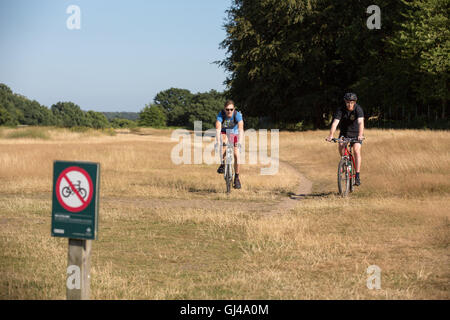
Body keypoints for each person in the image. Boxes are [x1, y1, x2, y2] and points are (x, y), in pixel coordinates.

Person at [326, 93, 364, 186]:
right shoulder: (340, 109)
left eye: (351, 102)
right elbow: (335, 123)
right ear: (345, 102)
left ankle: (357, 176)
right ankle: (344, 161)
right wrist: (331, 135)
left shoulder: (358, 109)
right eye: (347, 102)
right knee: (341, 145)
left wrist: (360, 134)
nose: (349, 104)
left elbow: (360, 123)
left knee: (356, 150)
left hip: (356, 133)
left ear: (355, 102)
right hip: (344, 133)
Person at [215, 100, 244, 189]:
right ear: (224, 109)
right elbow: (218, 129)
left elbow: (240, 129)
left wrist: (240, 142)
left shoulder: (237, 115)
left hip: (234, 133)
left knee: (236, 154)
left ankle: (237, 178)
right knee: (222, 141)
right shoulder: (221, 115)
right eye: (227, 109)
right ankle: (223, 163)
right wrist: (218, 141)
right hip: (224, 131)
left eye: (231, 109)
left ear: (234, 109)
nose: (229, 111)